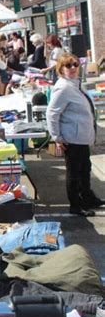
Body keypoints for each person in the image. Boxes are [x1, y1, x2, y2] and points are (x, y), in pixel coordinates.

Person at [46, 53, 104, 217]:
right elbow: (52, 114)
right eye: (68, 66)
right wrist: (57, 137)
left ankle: (88, 197)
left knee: (85, 169)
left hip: (82, 136)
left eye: (75, 65)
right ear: (61, 69)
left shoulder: (75, 84)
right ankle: (76, 206)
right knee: (74, 173)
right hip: (72, 137)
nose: (72, 68)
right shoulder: (63, 87)